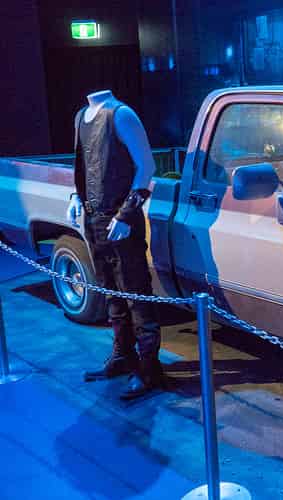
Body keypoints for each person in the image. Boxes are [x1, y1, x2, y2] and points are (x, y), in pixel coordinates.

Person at [66, 90, 163, 400]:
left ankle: (149, 369)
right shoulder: (81, 117)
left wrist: (126, 213)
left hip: (120, 219)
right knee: (110, 291)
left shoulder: (121, 114)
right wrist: (76, 196)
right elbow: (83, 166)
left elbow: (146, 167)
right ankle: (123, 356)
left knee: (136, 293)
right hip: (94, 217)